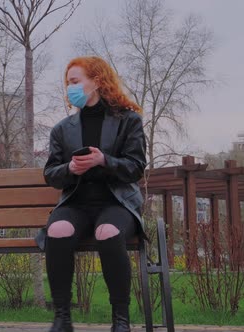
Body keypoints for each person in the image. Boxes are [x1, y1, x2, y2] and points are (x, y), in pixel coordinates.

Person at [37, 56, 146, 332]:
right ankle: (62, 318)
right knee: (58, 229)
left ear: (96, 82)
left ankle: (121, 319)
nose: (70, 89)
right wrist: (71, 168)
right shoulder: (63, 129)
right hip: (77, 203)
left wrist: (104, 161)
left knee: (107, 232)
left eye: (75, 82)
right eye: (68, 83)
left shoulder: (128, 121)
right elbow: (51, 173)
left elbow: (135, 168)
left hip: (117, 204)